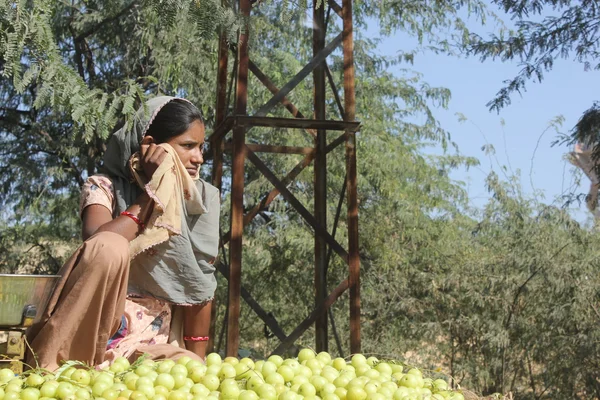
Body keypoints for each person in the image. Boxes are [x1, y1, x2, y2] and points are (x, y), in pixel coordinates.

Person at [26, 96, 220, 370]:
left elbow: (198, 284)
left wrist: (201, 367)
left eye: (201, 147)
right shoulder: (102, 187)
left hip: (145, 350)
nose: (199, 158)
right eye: (188, 146)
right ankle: (54, 367)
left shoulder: (199, 200)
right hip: (85, 339)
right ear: (151, 146)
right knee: (110, 246)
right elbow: (97, 244)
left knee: (188, 366)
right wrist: (152, 195)